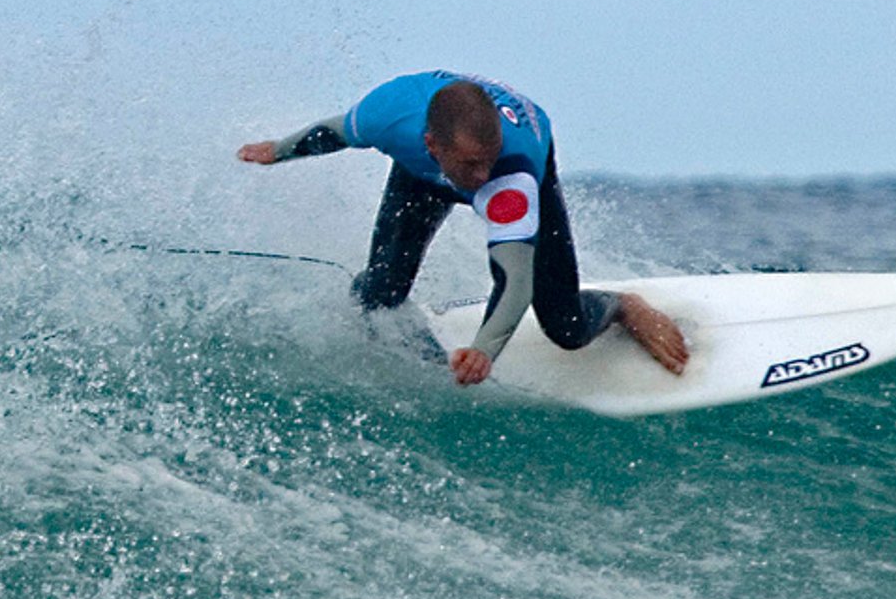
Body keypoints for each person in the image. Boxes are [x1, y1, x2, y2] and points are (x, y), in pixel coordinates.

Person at [238, 72, 689, 387]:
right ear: (431, 143)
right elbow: (333, 131)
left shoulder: (510, 173)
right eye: (473, 164)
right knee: (381, 290)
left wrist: (483, 351)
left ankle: (623, 306)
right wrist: (278, 150)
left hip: (525, 150)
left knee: (566, 327)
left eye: (488, 160)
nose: (481, 176)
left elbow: (515, 281)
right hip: (423, 173)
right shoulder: (388, 114)